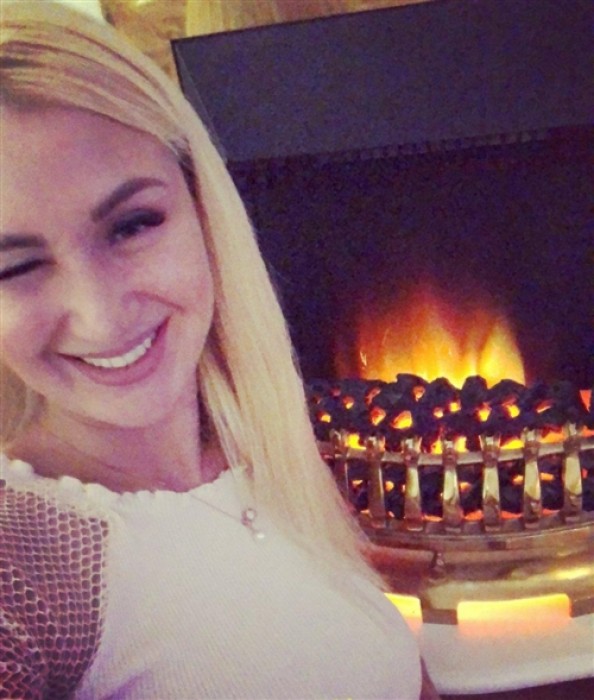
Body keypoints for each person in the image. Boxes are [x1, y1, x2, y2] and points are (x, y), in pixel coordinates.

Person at [0, 2, 437, 698]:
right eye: (16, 267)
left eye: (132, 225)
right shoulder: (24, 563)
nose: (101, 315)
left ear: (203, 208)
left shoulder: (264, 446)